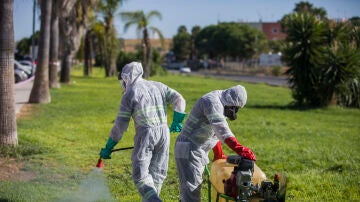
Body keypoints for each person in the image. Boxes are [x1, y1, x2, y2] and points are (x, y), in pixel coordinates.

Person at [99, 62, 186, 202]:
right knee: (157, 173)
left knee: (140, 175)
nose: (123, 83)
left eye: (123, 80)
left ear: (127, 77)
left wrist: (109, 146)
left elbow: (120, 126)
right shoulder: (158, 85)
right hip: (164, 133)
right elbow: (179, 99)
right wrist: (177, 120)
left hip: (145, 134)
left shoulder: (130, 94)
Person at [174, 85, 256, 202]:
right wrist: (241, 149)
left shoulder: (222, 102)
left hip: (196, 149)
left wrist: (219, 153)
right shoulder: (212, 102)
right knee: (191, 192)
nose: (234, 112)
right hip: (189, 149)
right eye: (235, 108)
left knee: (191, 189)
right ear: (231, 102)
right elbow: (221, 130)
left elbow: (213, 131)